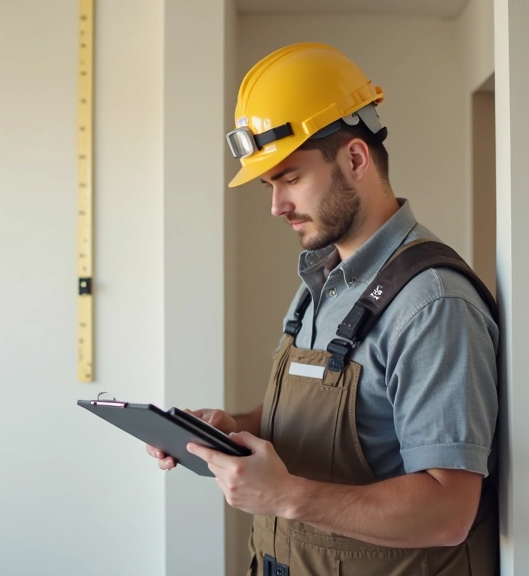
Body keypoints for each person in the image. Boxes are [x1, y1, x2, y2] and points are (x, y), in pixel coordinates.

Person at [146, 42, 500, 576]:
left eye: (290, 177)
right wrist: (231, 429)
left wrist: (287, 496)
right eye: (270, 184)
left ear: (355, 158)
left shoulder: (432, 304)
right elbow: (343, 417)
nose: (276, 206)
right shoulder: (324, 280)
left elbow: (449, 509)